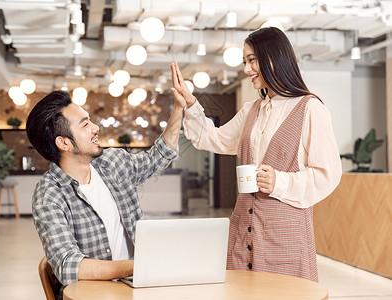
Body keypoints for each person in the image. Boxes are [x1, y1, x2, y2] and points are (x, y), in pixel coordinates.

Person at [170, 27, 342, 282]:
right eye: (245, 62)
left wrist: (279, 182)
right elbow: (212, 138)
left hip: (285, 239)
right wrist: (191, 104)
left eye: (252, 60)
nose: (246, 69)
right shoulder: (252, 109)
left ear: (275, 58)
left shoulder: (310, 109)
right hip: (243, 232)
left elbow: (328, 175)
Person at [26, 84, 184, 299]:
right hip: (92, 294)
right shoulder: (50, 195)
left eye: (90, 120)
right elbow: (69, 266)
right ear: (63, 143)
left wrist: (178, 109)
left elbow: (157, 158)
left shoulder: (111, 162)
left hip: (137, 286)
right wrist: (135, 266)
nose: (95, 127)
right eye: (85, 125)